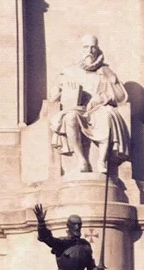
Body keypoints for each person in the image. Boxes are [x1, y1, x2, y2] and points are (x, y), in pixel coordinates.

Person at [48, 35, 130, 174]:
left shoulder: (104, 71)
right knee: (70, 117)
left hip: (98, 109)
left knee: (108, 114)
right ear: (80, 50)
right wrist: (63, 89)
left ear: (97, 50)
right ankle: (82, 161)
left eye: (93, 47)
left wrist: (103, 97)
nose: (90, 51)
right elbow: (53, 97)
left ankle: (102, 160)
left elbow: (121, 97)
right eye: (86, 47)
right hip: (77, 109)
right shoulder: (69, 71)